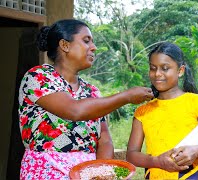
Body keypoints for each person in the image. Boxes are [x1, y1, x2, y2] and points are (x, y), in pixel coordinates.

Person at [18, 19, 154, 180]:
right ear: (65, 45)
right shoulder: (38, 77)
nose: (93, 47)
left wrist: (102, 173)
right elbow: (74, 110)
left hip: (88, 174)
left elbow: (104, 140)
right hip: (46, 171)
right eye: (86, 41)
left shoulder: (92, 91)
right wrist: (126, 96)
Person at [126, 42, 198, 179]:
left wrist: (196, 151)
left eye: (165, 68)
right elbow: (132, 155)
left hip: (193, 175)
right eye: (153, 68)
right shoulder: (142, 112)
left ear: (180, 71)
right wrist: (156, 161)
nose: (157, 74)